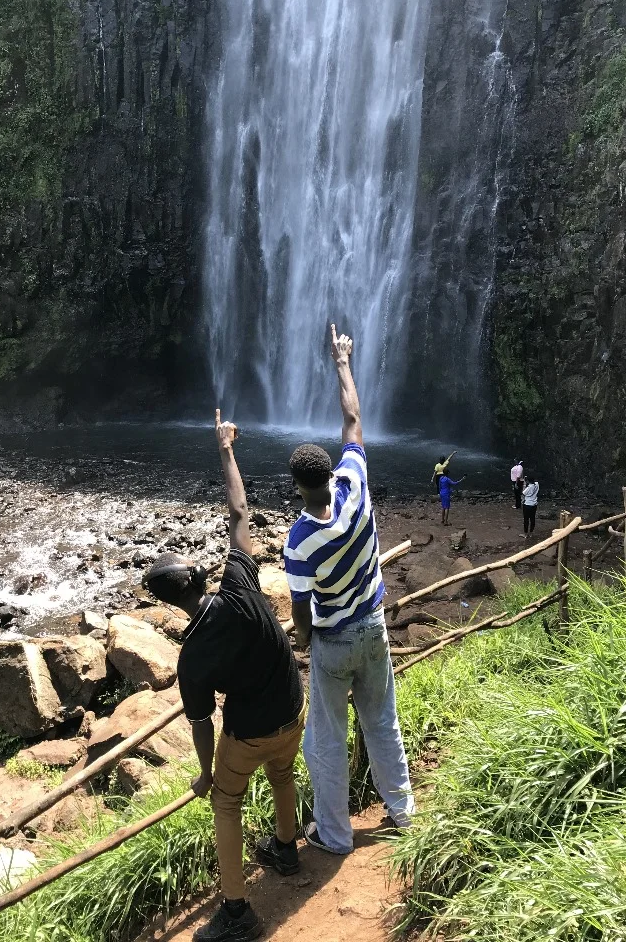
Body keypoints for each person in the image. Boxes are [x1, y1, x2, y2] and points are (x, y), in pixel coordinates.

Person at [144, 409, 305, 942]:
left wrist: (207, 772)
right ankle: (286, 849)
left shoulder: (191, 657)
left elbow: (200, 723)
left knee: (226, 803)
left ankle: (237, 912)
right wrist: (226, 448)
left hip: (254, 730)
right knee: (283, 774)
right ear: (197, 576)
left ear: (170, 605)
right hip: (294, 708)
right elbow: (239, 511)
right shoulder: (238, 580)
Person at [284, 323, 415, 856]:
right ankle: (403, 811)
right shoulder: (355, 485)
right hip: (375, 626)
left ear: (297, 485)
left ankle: (335, 836)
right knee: (382, 722)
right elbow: (354, 420)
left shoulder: (299, 541)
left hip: (333, 642)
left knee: (325, 741)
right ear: (330, 473)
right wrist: (342, 360)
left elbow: (300, 610)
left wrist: (302, 640)